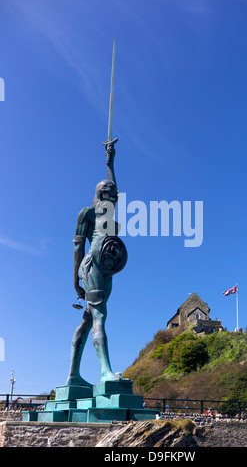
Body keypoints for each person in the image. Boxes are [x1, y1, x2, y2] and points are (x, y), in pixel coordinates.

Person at [66, 142, 127, 387]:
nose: (114, 192)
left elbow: (115, 186)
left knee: (88, 319)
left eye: (113, 190)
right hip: (91, 267)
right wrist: (74, 280)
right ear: (100, 193)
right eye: (108, 189)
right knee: (100, 316)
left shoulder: (109, 214)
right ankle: (105, 372)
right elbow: (77, 247)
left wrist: (110, 162)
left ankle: (73, 376)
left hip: (108, 270)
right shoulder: (87, 214)